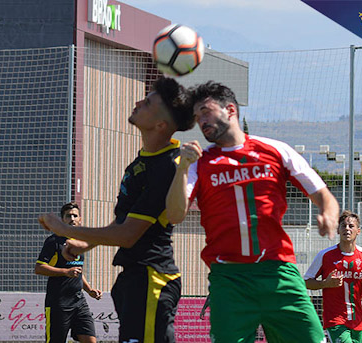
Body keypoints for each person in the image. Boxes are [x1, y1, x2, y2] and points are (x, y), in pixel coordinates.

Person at [165, 81, 340, 343]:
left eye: (206, 111)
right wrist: (181, 168)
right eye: (197, 116)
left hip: (279, 273)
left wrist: (329, 214)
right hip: (230, 279)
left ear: (231, 109)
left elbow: (323, 195)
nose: (201, 120)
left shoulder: (276, 150)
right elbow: (174, 215)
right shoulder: (198, 163)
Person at [38, 77, 196, 343]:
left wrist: (64, 229)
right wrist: (84, 243)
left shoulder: (168, 165)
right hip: (134, 278)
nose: (137, 102)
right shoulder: (139, 163)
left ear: (161, 124)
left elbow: (128, 235)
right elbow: (122, 226)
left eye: (147, 102)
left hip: (152, 279)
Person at [304, 210, 362, 343]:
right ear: (338, 230)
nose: (347, 229)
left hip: (357, 320)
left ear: (358, 231)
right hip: (335, 319)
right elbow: (306, 282)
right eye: (343, 226)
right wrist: (325, 283)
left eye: (351, 226)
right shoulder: (325, 255)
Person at [35, 202, 102, 343]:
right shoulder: (53, 241)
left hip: (79, 301)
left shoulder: (79, 242)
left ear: (80, 219)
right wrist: (65, 271)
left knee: (90, 340)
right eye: (68, 216)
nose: (72, 218)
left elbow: (78, 271)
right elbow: (39, 268)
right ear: (63, 220)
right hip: (58, 303)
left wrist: (89, 290)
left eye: (75, 215)